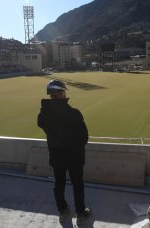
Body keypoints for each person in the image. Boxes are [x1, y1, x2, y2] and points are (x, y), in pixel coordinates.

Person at [37, 79, 91, 225]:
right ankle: (80, 213)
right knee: (77, 185)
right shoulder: (74, 114)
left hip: (57, 157)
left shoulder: (43, 116)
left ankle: (62, 211)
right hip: (75, 157)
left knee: (59, 184)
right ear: (62, 93)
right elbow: (84, 137)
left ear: (50, 95)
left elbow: (41, 123)